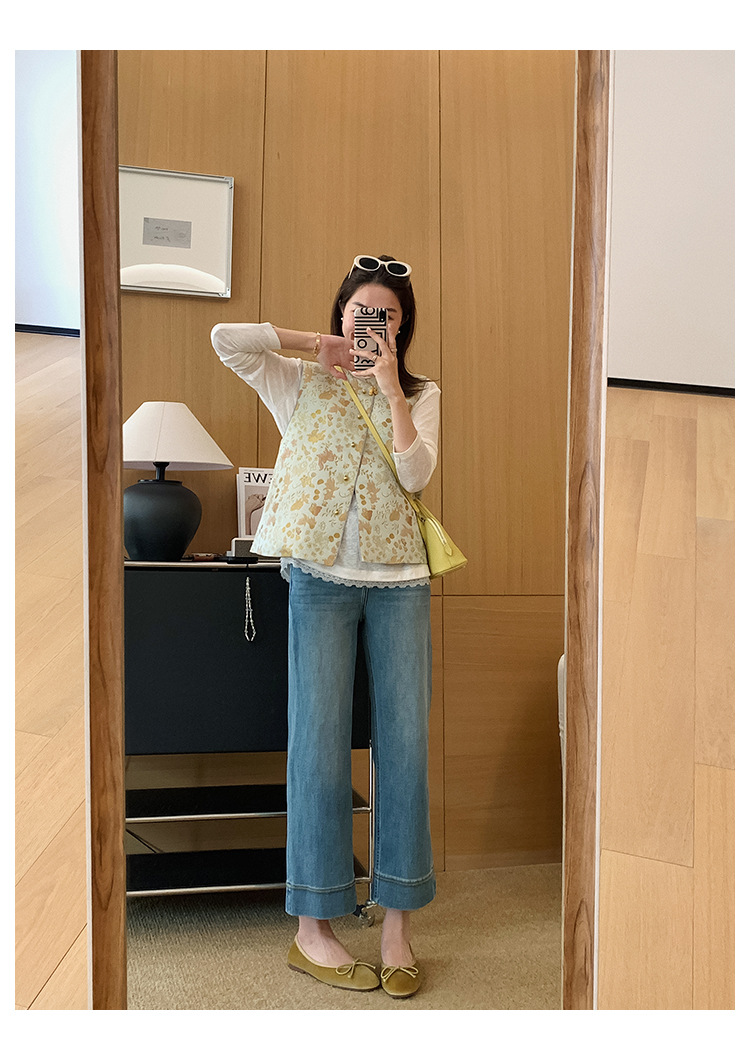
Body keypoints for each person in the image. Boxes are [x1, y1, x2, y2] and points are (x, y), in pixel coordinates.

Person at [211, 254, 440, 999]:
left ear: (403, 329)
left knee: (404, 745)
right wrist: (315, 344)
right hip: (317, 578)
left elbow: (415, 475)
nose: (373, 325)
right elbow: (226, 340)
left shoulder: (422, 393)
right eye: (361, 312)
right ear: (342, 313)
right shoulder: (297, 379)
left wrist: (390, 388)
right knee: (316, 746)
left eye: (388, 317)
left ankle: (398, 924)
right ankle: (313, 929)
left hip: (401, 582)